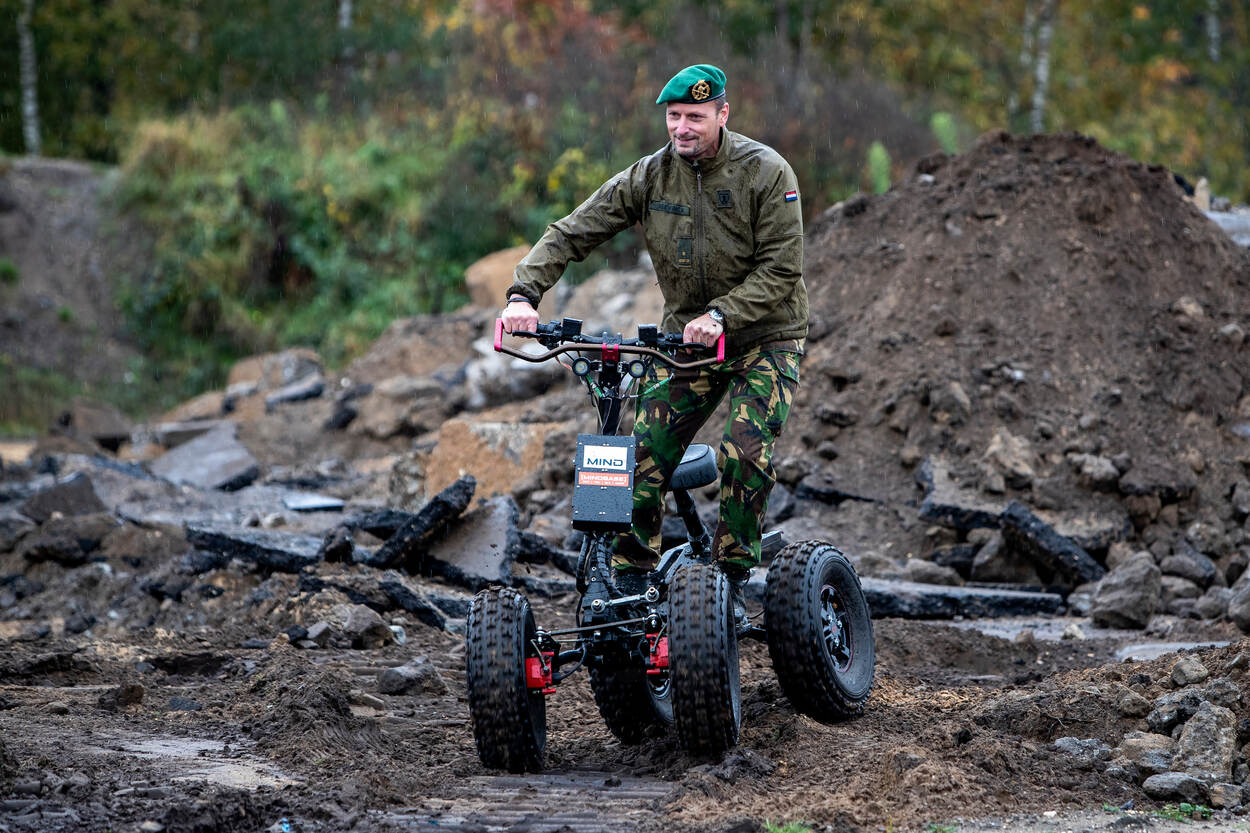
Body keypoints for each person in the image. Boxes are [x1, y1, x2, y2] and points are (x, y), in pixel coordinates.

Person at [500, 64, 807, 611]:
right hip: (685, 346)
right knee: (631, 458)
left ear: (722, 115)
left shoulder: (766, 172)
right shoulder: (649, 177)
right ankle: (628, 583)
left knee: (744, 450)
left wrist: (722, 315)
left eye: (695, 116)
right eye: (674, 117)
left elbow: (782, 271)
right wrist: (524, 294)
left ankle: (731, 579)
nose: (683, 128)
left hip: (765, 337)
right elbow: (574, 230)